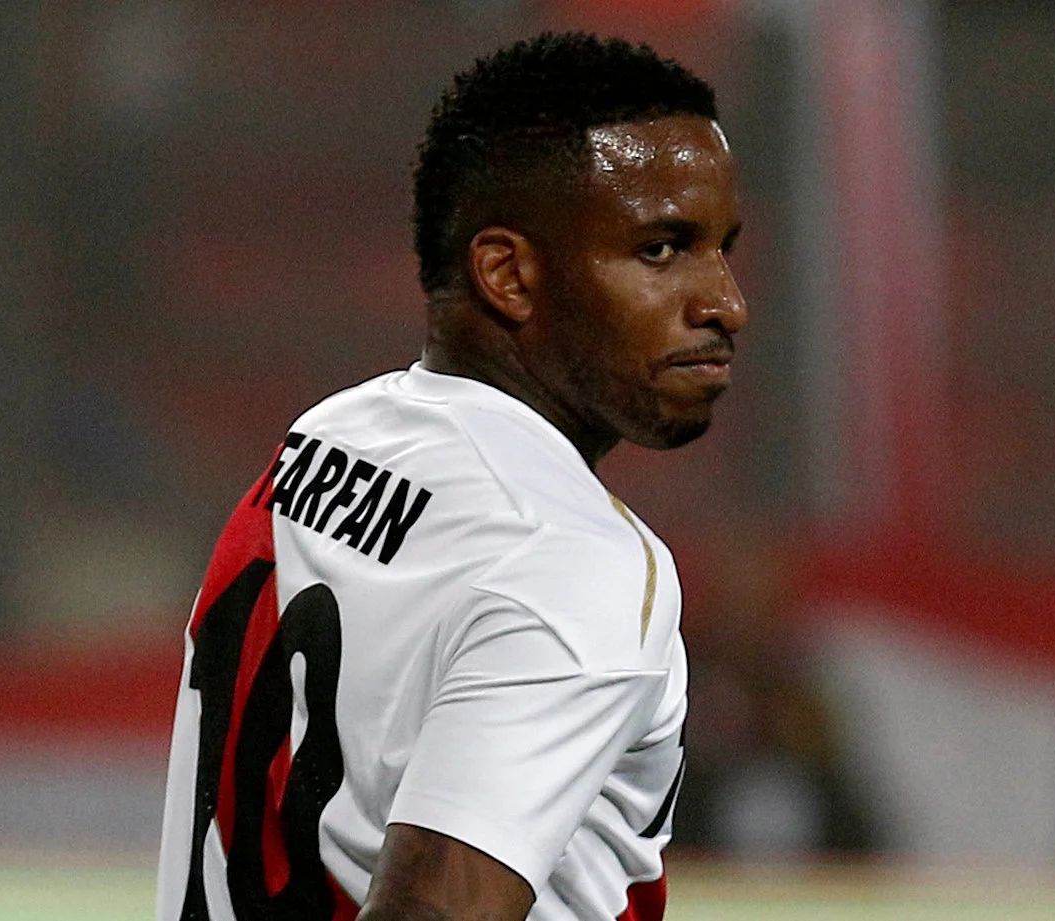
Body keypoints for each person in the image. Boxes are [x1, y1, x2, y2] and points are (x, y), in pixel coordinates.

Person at [156, 32, 747, 921]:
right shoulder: (572, 560)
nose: (725, 303)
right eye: (661, 249)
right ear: (506, 273)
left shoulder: (324, 438)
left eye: (721, 247)